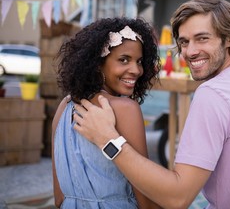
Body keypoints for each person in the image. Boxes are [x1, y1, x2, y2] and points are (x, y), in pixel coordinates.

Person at [73, 0, 230, 209]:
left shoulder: (214, 94)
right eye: (184, 42)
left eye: (202, 38)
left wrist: (108, 140)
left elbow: (177, 198)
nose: (190, 51)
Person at [51, 17, 161, 209]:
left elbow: (59, 197)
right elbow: (146, 203)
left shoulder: (64, 106)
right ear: (97, 63)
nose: (136, 70)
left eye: (140, 61)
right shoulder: (125, 109)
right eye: (124, 59)